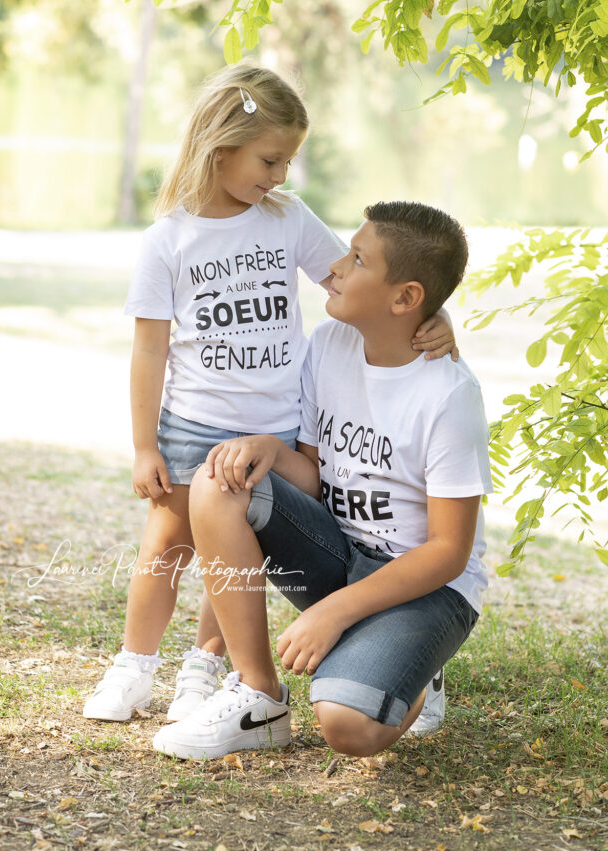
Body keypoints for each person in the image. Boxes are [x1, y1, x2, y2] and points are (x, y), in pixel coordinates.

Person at [83, 68, 456, 725]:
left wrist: (430, 318)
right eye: (269, 160)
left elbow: (356, 281)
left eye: (286, 161)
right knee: (166, 546)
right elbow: (148, 350)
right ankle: (132, 666)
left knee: (238, 556)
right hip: (194, 424)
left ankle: (203, 666)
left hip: (274, 432)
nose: (279, 176)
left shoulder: (285, 218)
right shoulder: (168, 240)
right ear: (219, 146)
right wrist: (145, 445)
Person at [151, 200, 491, 760]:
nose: (335, 267)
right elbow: (312, 478)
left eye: (357, 259)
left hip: (425, 588)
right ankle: (258, 695)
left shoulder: (449, 395)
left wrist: (333, 613)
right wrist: (268, 452)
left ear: (405, 298)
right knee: (220, 479)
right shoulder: (328, 347)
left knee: (347, 727)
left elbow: (449, 552)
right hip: (336, 553)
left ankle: (415, 666)